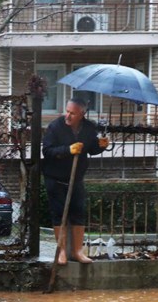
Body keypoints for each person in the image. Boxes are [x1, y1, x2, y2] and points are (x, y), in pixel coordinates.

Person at [42, 97, 109, 264]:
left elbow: (91, 149)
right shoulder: (55, 127)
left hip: (76, 178)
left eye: (72, 113)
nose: (68, 116)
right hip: (55, 178)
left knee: (78, 213)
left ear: (82, 114)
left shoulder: (89, 128)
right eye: (67, 111)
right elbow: (47, 151)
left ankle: (77, 251)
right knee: (59, 215)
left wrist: (101, 146)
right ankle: (61, 252)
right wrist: (68, 150)